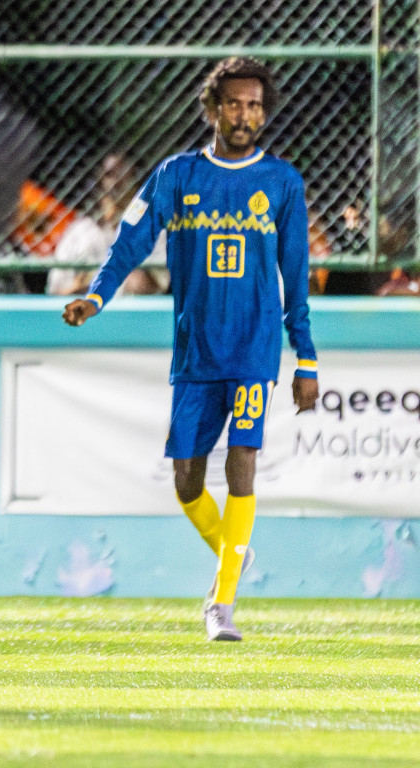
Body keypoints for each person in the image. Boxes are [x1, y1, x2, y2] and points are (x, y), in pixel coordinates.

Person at [62, 56, 318, 642]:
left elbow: (296, 276)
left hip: (254, 348)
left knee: (243, 459)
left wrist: (306, 358)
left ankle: (221, 604)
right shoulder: (176, 175)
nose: (245, 114)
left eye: (255, 104)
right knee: (185, 479)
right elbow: (129, 242)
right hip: (196, 350)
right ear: (211, 109)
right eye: (234, 103)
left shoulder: (281, 182)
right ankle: (234, 553)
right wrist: (97, 297)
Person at [46, 153, 168, 298]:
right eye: (110, 174)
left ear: (136, 182)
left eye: (123, 173)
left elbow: (157, 286)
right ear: (100, 181)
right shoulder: (79, 232)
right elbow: (56, 291)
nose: (116, 181)